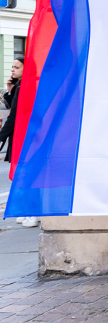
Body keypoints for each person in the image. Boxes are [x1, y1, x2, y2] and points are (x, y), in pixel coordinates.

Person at [0, 58, 36, 228]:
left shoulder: (26, 87)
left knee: (25, 174)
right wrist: (10, 91)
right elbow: (12, 107)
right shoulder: (22, 86)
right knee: (24, 174)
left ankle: (33, 213)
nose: (12, 70)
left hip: (24, 136)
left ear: (25, 68)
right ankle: (27, 211)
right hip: (25, 135)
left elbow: (14, 116)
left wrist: (1, 136)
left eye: (16, 67)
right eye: (12, 67)